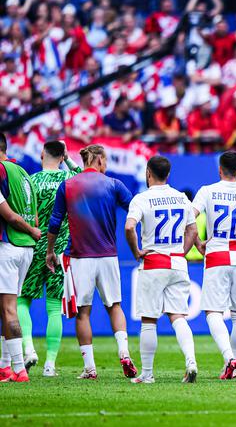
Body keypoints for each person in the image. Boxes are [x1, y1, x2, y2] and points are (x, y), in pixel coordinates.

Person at [45, 145, 136, 380]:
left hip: (80, 257)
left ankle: (90, 368)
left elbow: (55, 222)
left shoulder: (68, 186)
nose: (107, 164)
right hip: (108, 255)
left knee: (83, 313)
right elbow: (135, 208)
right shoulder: (113, 184)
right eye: (105, 159)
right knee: (114, 306)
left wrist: (50, 251)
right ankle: (124, 353)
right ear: (98, 159)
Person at [191, 151, 236, 379]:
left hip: (217, 254)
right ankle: (234, 367)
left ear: (219, 170)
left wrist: (197, 243)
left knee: (213, 312)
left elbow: (189, 218)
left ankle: (228, 357)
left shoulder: (207, 191)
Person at [124, 156, 198, 384]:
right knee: (178, 316)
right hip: (177, 262)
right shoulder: (182, 198)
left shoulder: (141, 199)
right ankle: (191, 362)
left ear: (148, 173)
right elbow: (193, 231)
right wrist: (181, 253)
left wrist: (137, 251)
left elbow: (129, 226)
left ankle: (147, 374)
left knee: (149, 320)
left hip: (154, 262)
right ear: (168, 174)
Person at [17, 141, 80, 378]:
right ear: (63, 156)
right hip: (61, 249)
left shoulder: (31, 181)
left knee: (22, 300)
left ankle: (29, 348)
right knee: (54, 308)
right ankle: (50, 365)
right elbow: (86, 176)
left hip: (33, 247)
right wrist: (70, 160)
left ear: (42, 153)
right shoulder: (70, 181)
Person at [0, 133, 41, 383]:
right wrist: (33, 231)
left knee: (8, 309)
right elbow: (33, 216)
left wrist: (30, 230)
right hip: (26, 248)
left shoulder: (1, 171)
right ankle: (5, 367)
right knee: (5, 309)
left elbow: (11, 216)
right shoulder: (23, 172)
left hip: (9, 243)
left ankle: (19, 369)